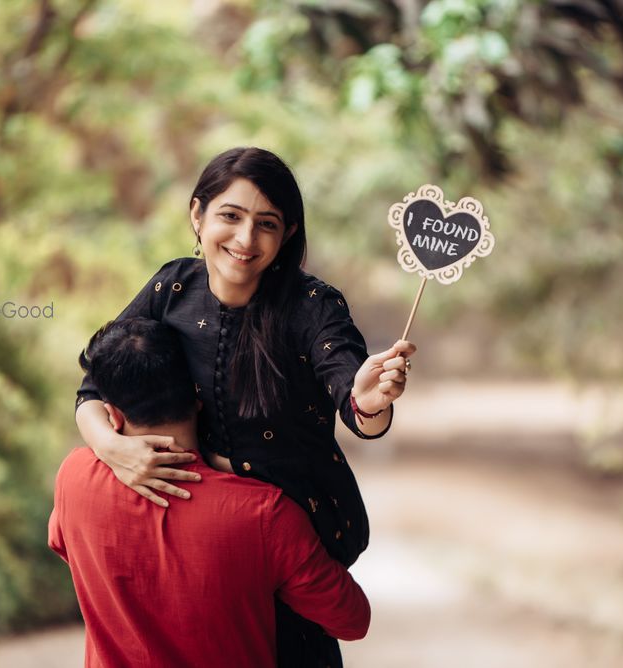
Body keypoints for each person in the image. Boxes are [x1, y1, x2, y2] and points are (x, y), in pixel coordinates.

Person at [74, 147, 415, 666]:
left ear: (288, 236)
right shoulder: (171, 288)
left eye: (267, 224)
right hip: (206, 548)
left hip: (288, 545)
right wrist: (110, 446)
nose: (244, 240)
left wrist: (369, 399)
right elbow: (96, 385)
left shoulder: (314, 306)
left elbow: (354, 393)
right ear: (198, 215)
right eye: (230, 217)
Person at [49, 317, 371, 667]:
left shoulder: (75, 479)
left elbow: (64, 544)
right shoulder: (264, 514)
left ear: (111, 415)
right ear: (199, 395)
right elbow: (352, 619)